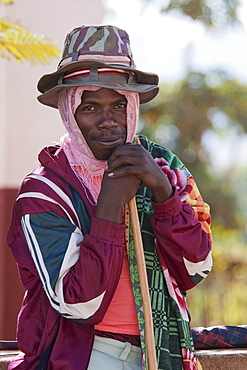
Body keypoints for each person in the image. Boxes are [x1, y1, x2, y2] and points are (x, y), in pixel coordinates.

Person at [7, 25, 213, 370]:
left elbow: (197, 268)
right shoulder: (43, 193)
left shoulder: (164, 168)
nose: (108, 121)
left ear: (133, 107)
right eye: (90, 108)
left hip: (163, 352)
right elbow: (78, 304)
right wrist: (109, 204)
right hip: (81, 357)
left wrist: (164, 194)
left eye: (119, 105)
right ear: (68, 111)